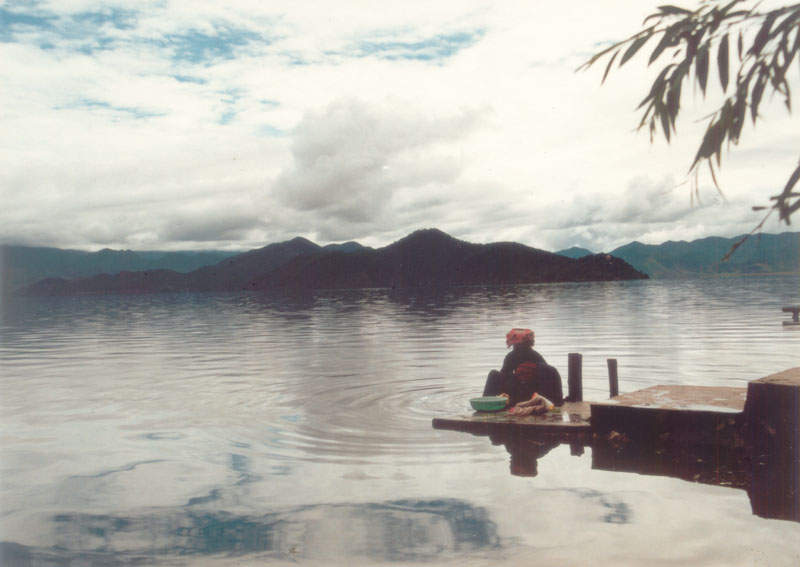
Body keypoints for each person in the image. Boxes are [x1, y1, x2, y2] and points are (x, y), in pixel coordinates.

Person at [483, 328, 564, 408]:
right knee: (493, 374)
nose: (520, 347)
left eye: (522, 344)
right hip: (519, 392)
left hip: (535, 392)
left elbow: (549, 380)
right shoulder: (511, 357)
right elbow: (503, 377)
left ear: (528, 344)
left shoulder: (535, 357)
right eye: (517, 345)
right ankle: (486, 403)